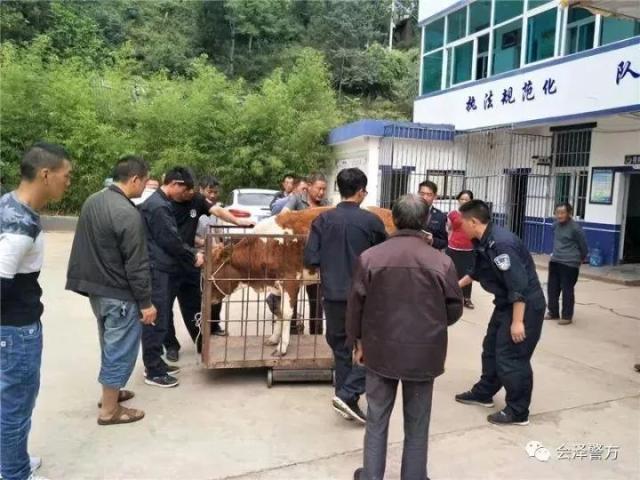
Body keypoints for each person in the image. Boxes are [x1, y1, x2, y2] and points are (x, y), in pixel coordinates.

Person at [347, 194, 463, 480]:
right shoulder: (441, 262)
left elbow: (355, 308)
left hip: (379, 351)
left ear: (394, 220)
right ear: (425, 220)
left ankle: (372, 476)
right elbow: (454, 309)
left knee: (376, 419)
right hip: (424, 354)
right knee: (418, 423)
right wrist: (431, 327)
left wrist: (359, 343)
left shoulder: (370, 258)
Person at [66, 156, 156, 426]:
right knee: (120, 349)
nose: (145, 188)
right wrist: (146, 303)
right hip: (120, 294)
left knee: (110, 344)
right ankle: (109, 410)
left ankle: (111, 394)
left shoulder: (93, 200)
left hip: (97, 291)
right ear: (134, 180)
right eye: (145, 182)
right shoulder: (128, 213)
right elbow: (137, 264)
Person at [1, 142, 72, 480]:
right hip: (16, 331)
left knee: (11, 403)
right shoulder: (20, 225)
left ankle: (12, 461)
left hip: (13, 328)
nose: (68, 183)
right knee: (16, 406)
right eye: (65, 176)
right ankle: (13, 473)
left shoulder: (9, 206)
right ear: (46, 174)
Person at [304, 168, 387, 423]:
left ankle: (344, 395)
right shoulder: (372, 222)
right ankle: (348, 395)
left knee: (341, 347)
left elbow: (311, 258)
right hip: (365, 296)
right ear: (361, 192)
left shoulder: (322, 221)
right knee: (372, 346)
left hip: (333, 295)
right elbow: (383, 257)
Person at [455, 200, 545, 426]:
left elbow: (518, 286)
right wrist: (452, 288)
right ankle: (484, 392)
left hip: (524, 306)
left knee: (512, 357)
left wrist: (517, 322)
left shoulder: (502, 245)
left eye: (461, 222)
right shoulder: (482, 240)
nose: (459, 227)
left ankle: (518, 411)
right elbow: (476, 271)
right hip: (506, 304)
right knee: (491, 348)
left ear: (474, 221)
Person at [164, 175, 253, 361]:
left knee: (195, 303)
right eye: (186, 190)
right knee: (164, 307)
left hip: (191, 261)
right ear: (175, 186)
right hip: (168, 263)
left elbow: (218, 211)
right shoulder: (163, 204)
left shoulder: (196, 200)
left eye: (191, 189)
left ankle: (200, 340)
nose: (190, 193)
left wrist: (238, 222)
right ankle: (171, 345)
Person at [138, 167, 204, 388]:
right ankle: (154, 371)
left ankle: (156, 363)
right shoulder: (158, 206)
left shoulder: (161, 203)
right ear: (174, 184)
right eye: (184, 190)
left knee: (161, 316)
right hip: (158, 269)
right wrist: (192, 255)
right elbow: (170, 240)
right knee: (155, 320)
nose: (184, 196)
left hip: (163, 267)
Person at [282, 173, 330, 334]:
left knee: (317, 300)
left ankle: (316, 334)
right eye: (319, 188)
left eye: (324, 189)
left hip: (317, 260)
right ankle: (293, 332)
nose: (321, 193)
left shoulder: (327, 205)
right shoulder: (296, 199)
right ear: (309, 186)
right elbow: (283, 216)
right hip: (294, 259)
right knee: (292, 296)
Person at [545, 202, 588, 326]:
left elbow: (583, 246)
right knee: (552, 288)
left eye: (562, 213)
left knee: (567, 289)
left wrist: (580, 259)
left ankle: (567, 316)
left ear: (569, 213)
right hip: (555, 260)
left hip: (570, 263)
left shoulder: (575, 228)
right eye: (557, 213)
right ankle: (553, 312)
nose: (559, 215)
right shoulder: (555, 226)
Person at [447, 190, 476, 309]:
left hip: (469, 248)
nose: (464, 201)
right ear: (458, 200)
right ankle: (452, 297)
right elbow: (449, 229)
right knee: (453, 273)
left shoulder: (474, 215)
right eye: (462, 199)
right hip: (454, 247)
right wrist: (449, 241)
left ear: (471, 201)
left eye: (467, 199)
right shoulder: (452, 214)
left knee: (468, 274)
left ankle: (467, 298)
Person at [417, 180, 448, 250]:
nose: (425, 197)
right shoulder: (409, 212)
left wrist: (432, 240)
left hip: (430, 254)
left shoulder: (440, 216)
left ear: (435, 196)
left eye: (429, 195)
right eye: (422, 194)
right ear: (418, 194)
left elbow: (445, 242)